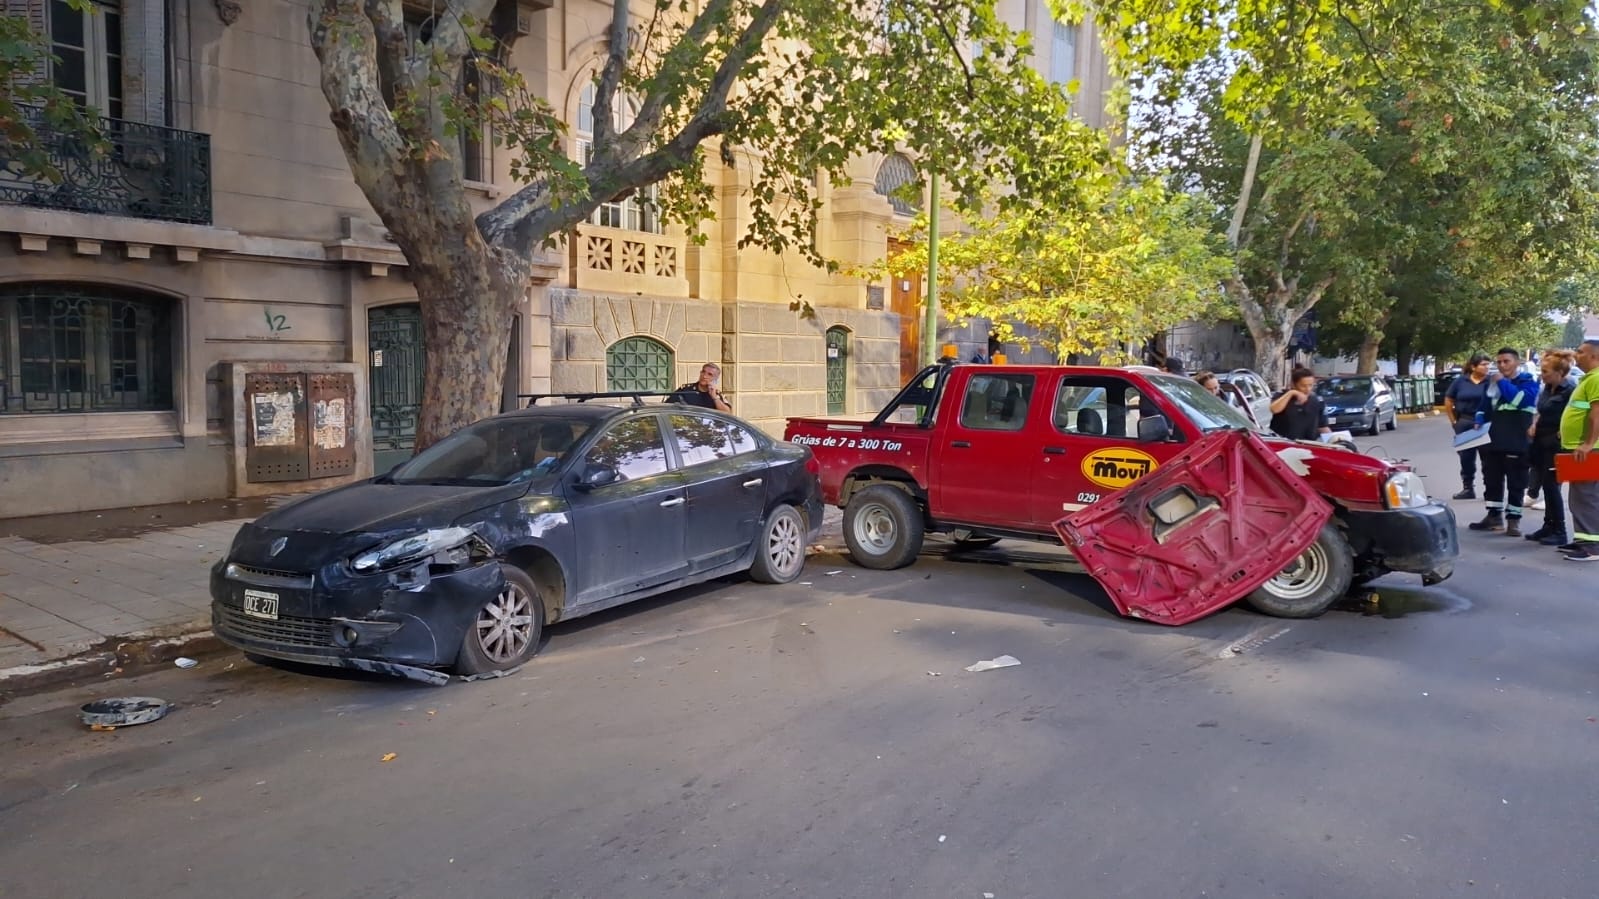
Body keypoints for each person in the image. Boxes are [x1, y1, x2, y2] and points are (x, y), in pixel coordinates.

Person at [1467, 348, 1539, 537]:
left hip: (1517, 441)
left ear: (1517, 362)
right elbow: (1484, 406)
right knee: (1491, 481)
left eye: (1506, 361)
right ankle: (1493, 517)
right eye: (1498, 362)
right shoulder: (1492, 384)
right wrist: (1479, 419)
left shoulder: (1528, 382)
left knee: (1516, 483)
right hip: (1493, 441)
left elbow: (1518, 400)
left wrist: (1501, 381)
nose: (1501, 365)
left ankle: (1513, 521)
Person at [1524, 350, 1577, 545]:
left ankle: (1560, 531)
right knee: (1546, 486)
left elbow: (1576, 416)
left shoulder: (1570, 390)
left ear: (1559, 373)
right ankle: (1548, 526)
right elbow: (1542, 410)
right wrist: (1534, 423)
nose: (1542, 374)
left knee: (1553, 487)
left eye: (1546, 371)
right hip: (1541, 443)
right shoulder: (1548, 387)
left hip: (1557, 445)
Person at [1557, 339, 1599, 561]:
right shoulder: (1588, 379)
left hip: (1589, 450)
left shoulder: (1597, 379)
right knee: (1580, 496)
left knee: (1585, 497)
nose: (1575, 354)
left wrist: (1588, 443)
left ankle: (1592, 546)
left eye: (1581, 352)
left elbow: (1597, 414)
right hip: (1581, 448)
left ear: (1594, 356)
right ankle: (1583, 540)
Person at [1444, 354, 1493, 499]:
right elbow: (1449, 399)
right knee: (1466, 458)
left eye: (1488, 364)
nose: (1487, 367)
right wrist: (1454, 421)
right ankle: (1468, 488)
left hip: (1485, 424)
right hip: (1465, 422)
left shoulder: (1491, 382)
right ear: (1473, 367)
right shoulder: (1461, 381)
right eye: (1483, 364)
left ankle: (1490, 489)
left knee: (1488, 460)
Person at [1269, 367, 1330, 441]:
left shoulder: (1317, 400)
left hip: (1307, 444)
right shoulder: (1282, 396)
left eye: (1310, 385)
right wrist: (1291, 393)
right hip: (1282, 443)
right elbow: (1274, 409)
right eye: (1303, 386)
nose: (1308, 389)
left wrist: (1332, 440)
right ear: (1294, 385)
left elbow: (1323, 427)